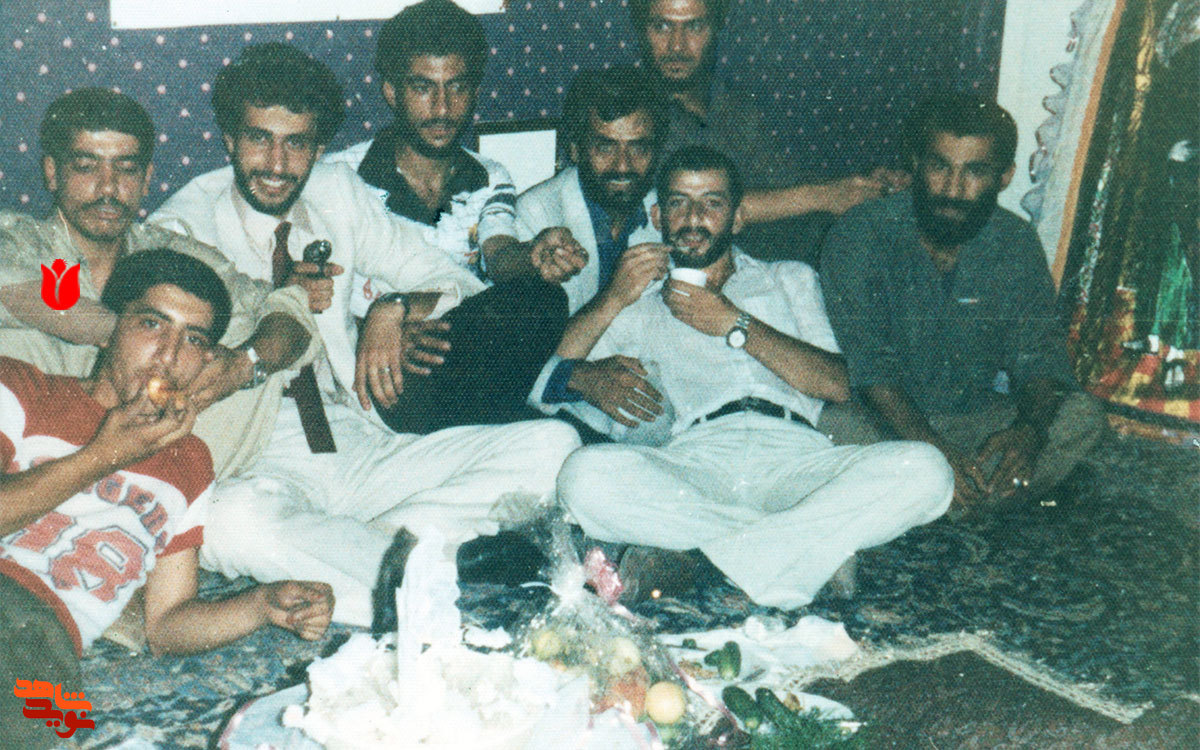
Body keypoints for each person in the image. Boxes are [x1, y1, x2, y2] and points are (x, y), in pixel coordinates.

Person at [149, 43, 581, 626]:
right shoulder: (181, 226)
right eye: (259, 139)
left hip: (354, 432)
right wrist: (276, 300)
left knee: (554, 445)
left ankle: (365, 553)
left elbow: (451, 280)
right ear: (229, 140)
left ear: (318, 149)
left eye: (296, 144)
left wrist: (392, 308)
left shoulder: (335, 192)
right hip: (264, 452)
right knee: (228, 524)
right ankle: (414, 575)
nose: (276, 164)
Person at [549, 146, 953, 608]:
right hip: (698, 459)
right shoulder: (641, 301)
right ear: (658, 217)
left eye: (712, 203)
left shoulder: (789, 278)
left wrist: (734, 323)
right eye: (679, 203)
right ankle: (802, 550)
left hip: (797, 457)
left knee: (929, 470)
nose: (694, 218)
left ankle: (704, 556)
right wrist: (614, 296)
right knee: (581, 476)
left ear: (738, 217)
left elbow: (836, 384)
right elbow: (555, 369)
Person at [0, 250, 332, 750]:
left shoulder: (189, 462)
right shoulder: (25, 390)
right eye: (151, 323)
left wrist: (261, 604)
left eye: (193, 339)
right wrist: (103, 456)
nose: (168, 354)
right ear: (111, 328)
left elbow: (166, 624)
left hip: (47, 644)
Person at [0, 88, 318, 482]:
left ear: (147, 178)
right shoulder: (18, 244)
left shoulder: (171, 254)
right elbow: (21, 289)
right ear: (52, 172)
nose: (108, 188)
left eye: (126, 169)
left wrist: (241, 366)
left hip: (157, 489)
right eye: (86, 167)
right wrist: (136, 334)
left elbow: (290, 315)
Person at [818, 93, 1106, 518]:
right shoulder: (860, 233)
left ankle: (922, 501)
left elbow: (1040, 357)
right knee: (830, 428)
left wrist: (1028, 431)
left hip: (973, 421)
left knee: (1082, 415)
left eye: (974, 171)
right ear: (917, 164)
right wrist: (932, 448)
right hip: (884, 421)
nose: (953, 190)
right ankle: (967, 496)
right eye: (940, 167)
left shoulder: (1014, 241)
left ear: (1004, 176)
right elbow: (871, 368)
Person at [323, 0, 586, 432]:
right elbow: (315, 300)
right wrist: (375, 327)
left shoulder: (489, 176)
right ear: (391, 92)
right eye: (423, 88)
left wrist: (534, 256)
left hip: (462, 356)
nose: (443, 108)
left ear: (475, 91)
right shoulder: (342, 178)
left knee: (545, 299)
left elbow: (499, 255)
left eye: (457, 87)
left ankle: (484, 425)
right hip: (383, 374)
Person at [628, 0, 906, 263]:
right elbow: (690, 206)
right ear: (641, 31)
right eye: (662, 26)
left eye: (694, 26)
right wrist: (826, 195)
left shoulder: (732, 107)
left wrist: (865, 186)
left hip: (785, 265)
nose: (677, 45)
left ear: (717, 28)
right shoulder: (632, 112)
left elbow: (784, 180)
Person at [518, 67, 673, 439]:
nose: (623, 166)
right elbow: (512, 357)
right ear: (575, 149)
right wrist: (615, 296)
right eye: (605, 147)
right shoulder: (537, 216)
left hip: (649, 407)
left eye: (638, 148)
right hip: (553, 412)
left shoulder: (667, 212)